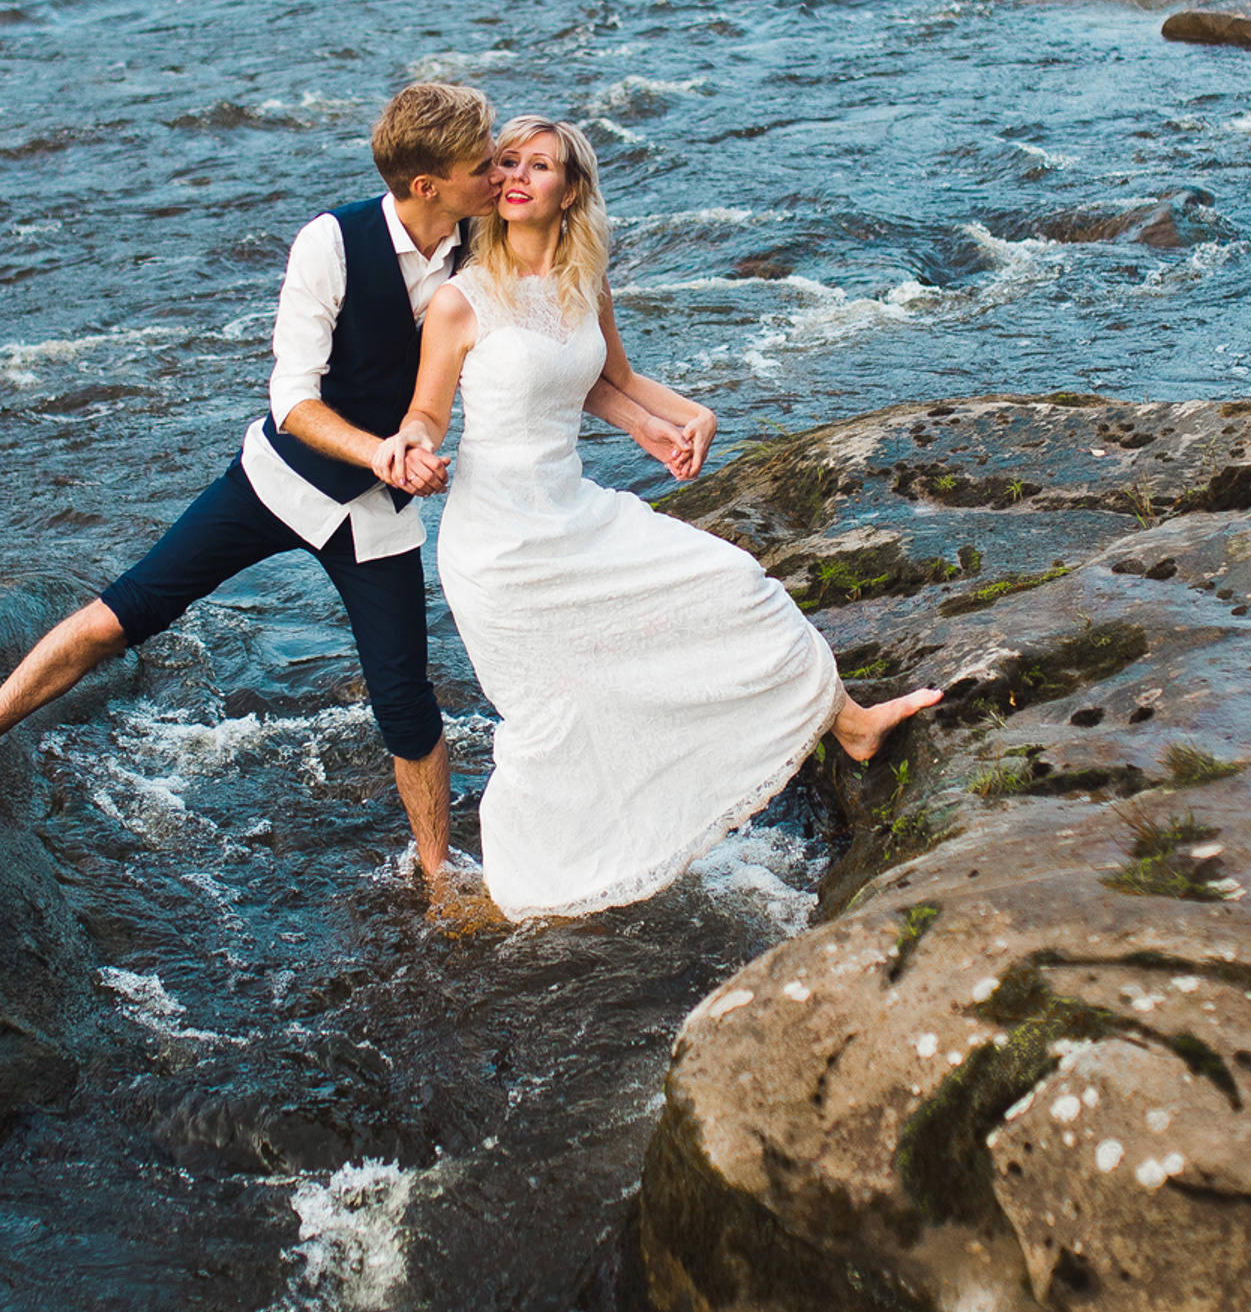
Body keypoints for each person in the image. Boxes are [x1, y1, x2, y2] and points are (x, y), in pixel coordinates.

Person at [0, 82, 676, 885]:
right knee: (123, 613)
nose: (501, 175)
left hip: (377, 514)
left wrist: (650, 419)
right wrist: (380, 452)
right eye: (484, 165)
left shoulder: (489, 248)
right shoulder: (329, 244)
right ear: (429, 186)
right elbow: (292, 400)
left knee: (406, 703)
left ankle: (435, 875)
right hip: (278, 483)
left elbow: (558, 356)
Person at [378, 116, 944, 920]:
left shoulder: (583, 282)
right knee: (553, 719)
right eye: (507, 163)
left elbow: (609, 380)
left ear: (569, 190)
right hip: (499, 545)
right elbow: (426, 414)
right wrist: (411, 446)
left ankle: (847, 723)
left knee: (733, 584)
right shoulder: (460, 300)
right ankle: (529, 890)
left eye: (539, 166)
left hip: (575, 513)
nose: (516, 176)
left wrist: (683, 415)